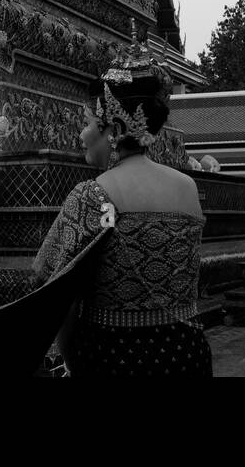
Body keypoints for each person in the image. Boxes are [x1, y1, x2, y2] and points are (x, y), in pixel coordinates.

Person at [31, 31, 212, 376]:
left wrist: (70, 362)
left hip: (116, 356)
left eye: (86, 123)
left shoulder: (92, 196)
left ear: (112, 128)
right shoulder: (188, 188)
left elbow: (51, 290)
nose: (81, 134)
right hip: (186, 354)